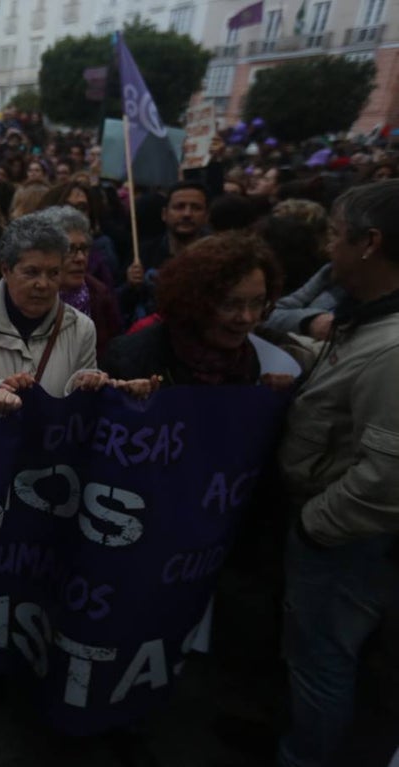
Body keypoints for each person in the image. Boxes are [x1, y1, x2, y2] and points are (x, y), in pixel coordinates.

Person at [276, 179, 399, 767]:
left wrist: (313, 525)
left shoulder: (394, 349)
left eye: (335, 233)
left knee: (323, 663)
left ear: (370, 243)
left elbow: (384, 481)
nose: (327, 247)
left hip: (347, 543)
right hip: (339, 533)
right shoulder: (364, 318)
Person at [102, 232, 284, 387]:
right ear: (194, 301)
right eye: (230, 304)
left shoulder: (245, 360)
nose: (247, 317)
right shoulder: (130, 359)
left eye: (257, 302)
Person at [0, 211, 97, 401]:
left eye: (53, 273)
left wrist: (86, 385)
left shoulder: (82, 328)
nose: (43, 284)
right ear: (6, 270)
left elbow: (84, 407)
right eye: (32, 272)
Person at [40, 206, 121, 362]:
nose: (80, 258)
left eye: (84, 249)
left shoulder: (99, 295)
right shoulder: (29, 298)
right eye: (70, 250)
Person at [121, 182, 209, 324]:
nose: (187, 214)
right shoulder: (142, 253)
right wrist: (130, 286)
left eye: (196, 208)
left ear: (206, 216)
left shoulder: (217, 256)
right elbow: (118, 304)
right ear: (164, 214)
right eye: (179, 207)